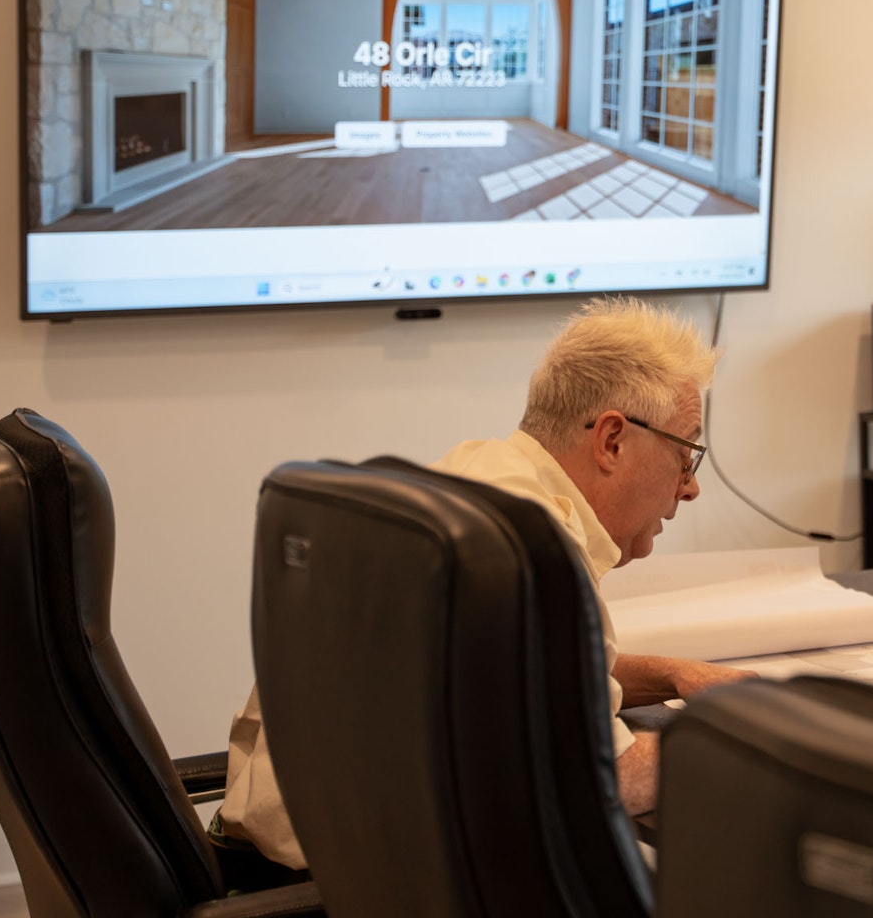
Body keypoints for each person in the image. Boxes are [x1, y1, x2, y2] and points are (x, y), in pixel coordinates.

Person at [216, 297, 751, 869]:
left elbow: (520, 670)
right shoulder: (527, 551)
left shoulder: (476, 478)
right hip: (349, 889)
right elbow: (602, 780)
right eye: (686, 455)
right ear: (612, 441)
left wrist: (674, 674)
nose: (689, 489)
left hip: (287, 851)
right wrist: (733, 735)